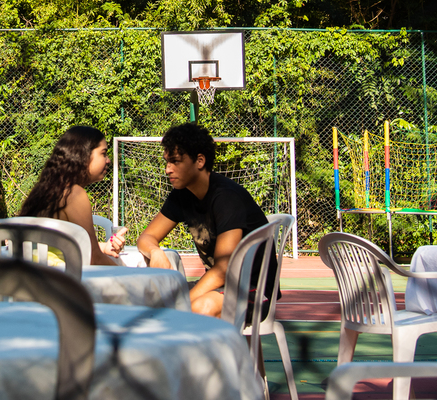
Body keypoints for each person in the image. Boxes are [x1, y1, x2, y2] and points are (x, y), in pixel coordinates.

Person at [135, 122, 277, 318]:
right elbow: (146, 237)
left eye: (175, 161)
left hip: (252, 289)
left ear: (200, 161)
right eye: (167, 162)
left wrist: (182, 302)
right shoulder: (181, 195)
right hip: (219, 286)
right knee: (144, 298)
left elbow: (223, 269)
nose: (168, 169)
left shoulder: (226, 198)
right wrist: (155, 251)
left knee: (201, 307)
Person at [18, 125, 125, 266]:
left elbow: (56, 247)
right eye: (103, 153)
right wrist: (128, 274)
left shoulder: (47, 190)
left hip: (36, 275)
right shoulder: (74, 194)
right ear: (84, 155)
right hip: (62, 278)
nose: (108, 160)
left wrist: (104, 247)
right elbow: (93, 258)